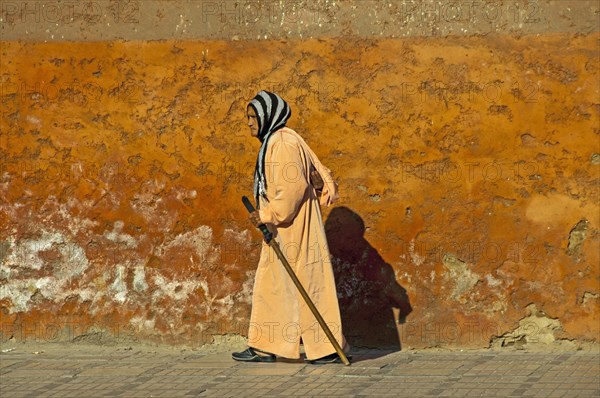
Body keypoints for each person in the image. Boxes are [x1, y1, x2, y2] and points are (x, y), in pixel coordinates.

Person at [232, 90, 349, 364]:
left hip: (293, 227)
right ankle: (266, 345)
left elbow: (291, 188)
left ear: (267, 116)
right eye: (247, 117)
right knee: (276, 285)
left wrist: (268, 214)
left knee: (308, 284)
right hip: (284, 229)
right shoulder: (277, 139)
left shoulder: (282, 143)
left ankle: (326, 349)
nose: (249, 122)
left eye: (253, 117)